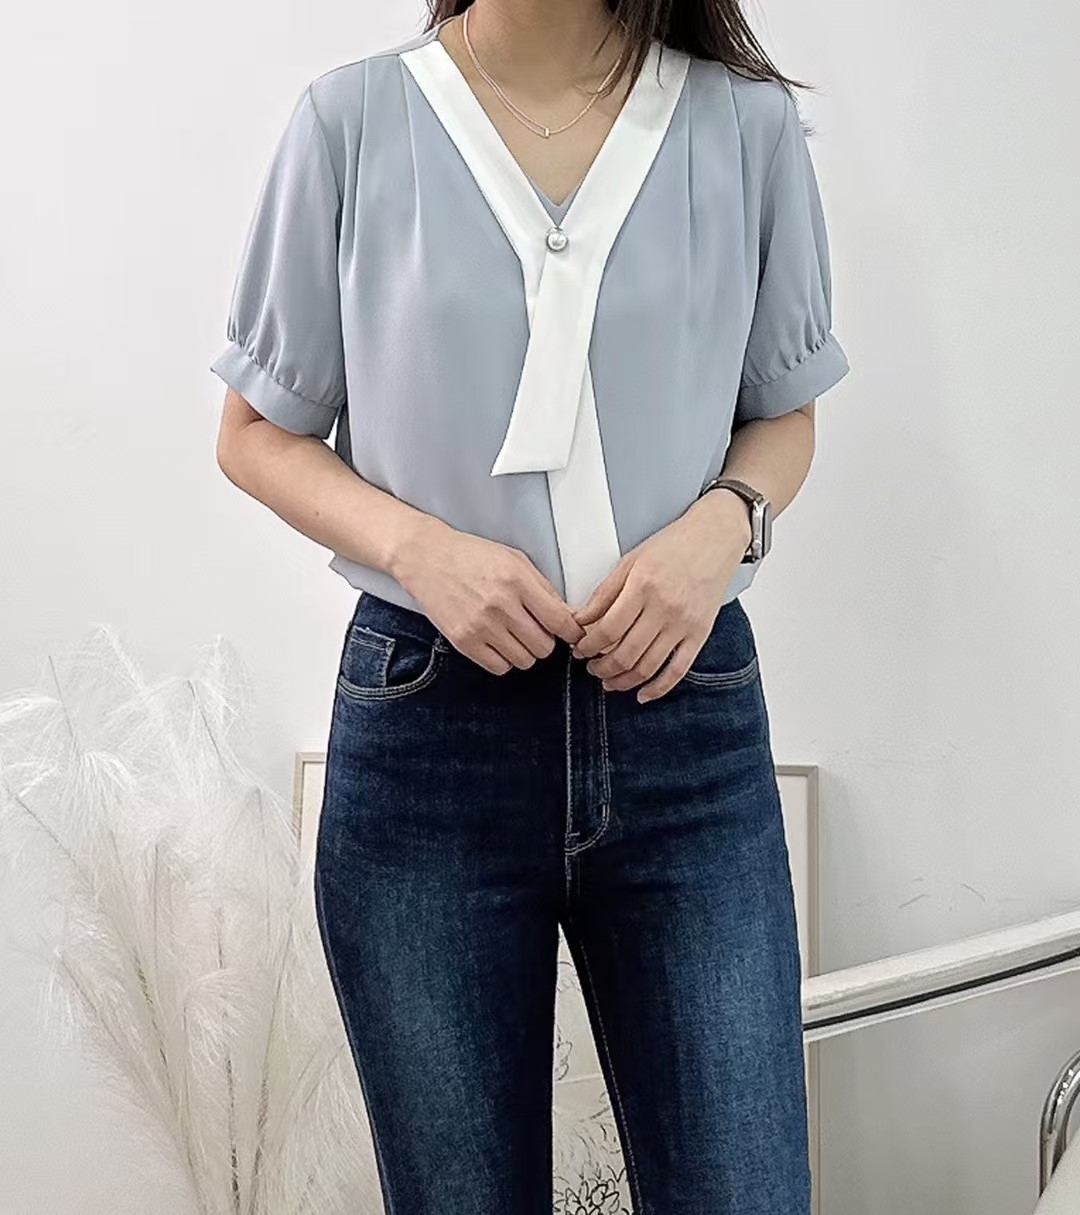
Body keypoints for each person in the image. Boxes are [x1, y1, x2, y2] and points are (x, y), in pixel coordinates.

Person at [210, 2, 850, 1211]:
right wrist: (420, 550)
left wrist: (722, 527)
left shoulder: (744, 129)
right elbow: (253, 435)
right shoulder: (351, 123)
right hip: (429, 742)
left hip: (684, 730)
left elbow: (786, 412)